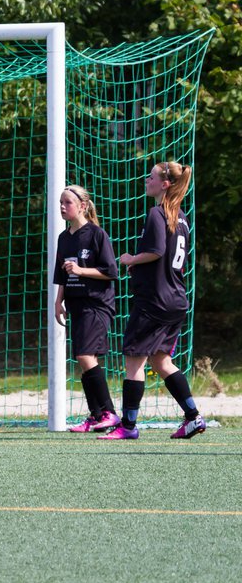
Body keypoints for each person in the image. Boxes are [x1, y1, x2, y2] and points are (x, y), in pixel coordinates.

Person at [100, 161, 205, 440]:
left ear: (165, 184)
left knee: (134, 363)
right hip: (175, 300)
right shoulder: (181, 217)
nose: (147, 180)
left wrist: (130, 259)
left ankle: (128, 426)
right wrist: (142, 267)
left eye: (151, 177)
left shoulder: (158, 213)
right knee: (161, 362)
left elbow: (157, 251)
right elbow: (168, 257)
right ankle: (193, 417)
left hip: (155, 302)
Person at [52, 185, 120, 433]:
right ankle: (97, 415)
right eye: (61, 202)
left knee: (84, 356)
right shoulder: (64, 237)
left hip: (96, 303)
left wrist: (81, 271)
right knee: (83, 359)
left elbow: (111, 272)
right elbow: (61, 272)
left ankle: (109, 413)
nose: (62, 206)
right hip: (75, 303)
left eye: (67, 202)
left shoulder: (96, 234)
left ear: (82, 206)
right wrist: (58, 301)